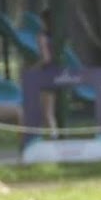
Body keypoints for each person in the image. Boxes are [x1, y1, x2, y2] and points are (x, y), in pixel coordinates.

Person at [35, 8, 58, 137]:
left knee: (47, 112)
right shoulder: (56, 36)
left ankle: (54, 139)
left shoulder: (42, 36)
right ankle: (51, 137)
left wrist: (34, 68)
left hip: (46, 74)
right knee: (50, 111)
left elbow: (46, 58)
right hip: (56, 72)